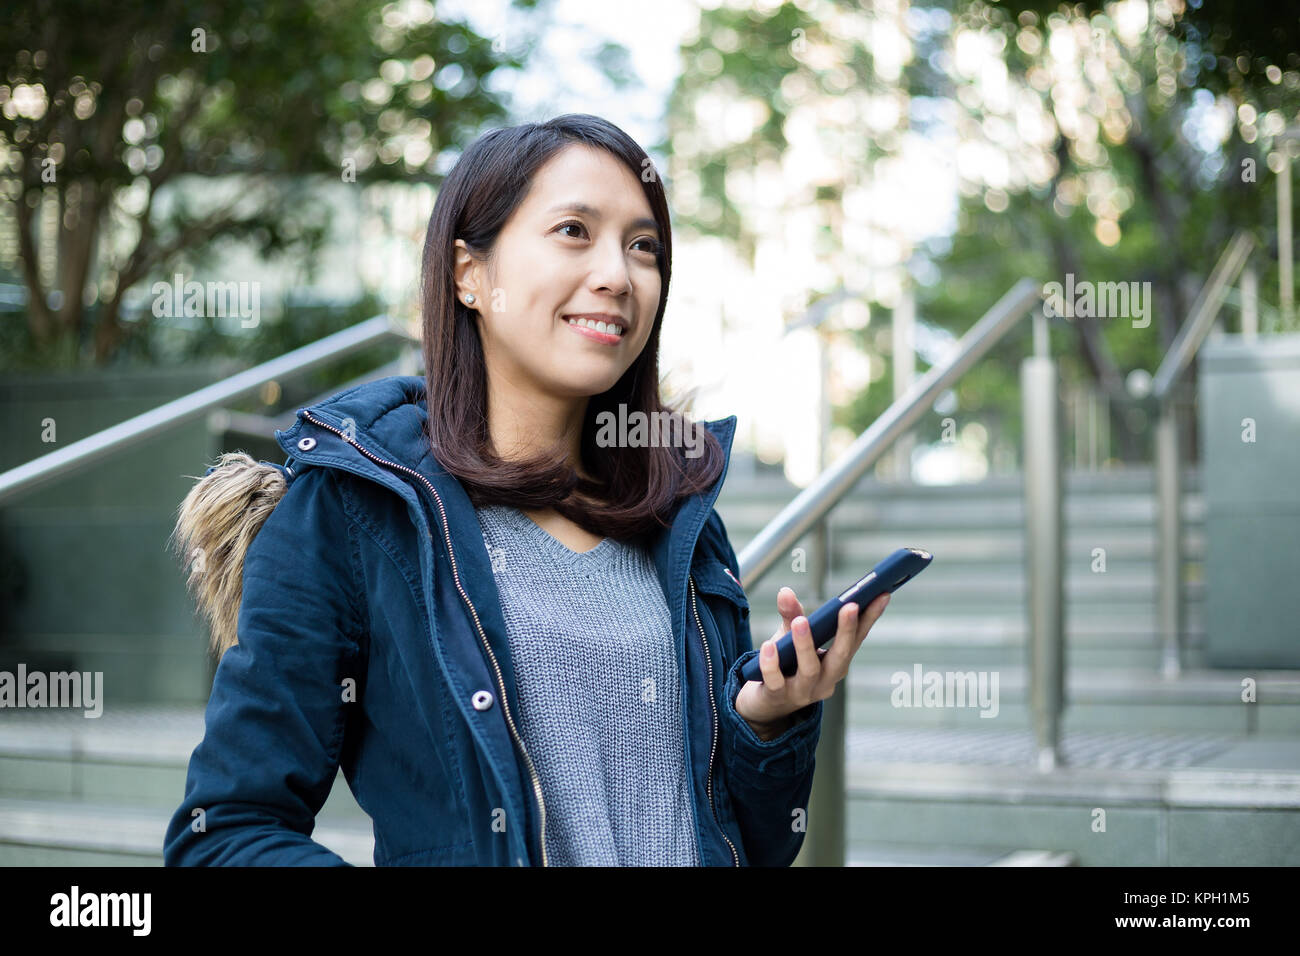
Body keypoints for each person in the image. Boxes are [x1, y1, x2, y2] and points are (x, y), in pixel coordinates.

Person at [162, 113, 889, 867]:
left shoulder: (679, 512)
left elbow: (752, 843)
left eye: (644, 247)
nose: (617, 273)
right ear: (468, 274)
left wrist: (767, 724)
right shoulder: (359, 509)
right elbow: (225, 835)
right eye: (574, 230)